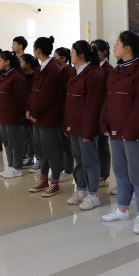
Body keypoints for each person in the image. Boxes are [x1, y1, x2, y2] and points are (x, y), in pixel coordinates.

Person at [99, 32, 139, 234]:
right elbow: (109, 99)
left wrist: (130, 131)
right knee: (120, 172)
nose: (114, 47)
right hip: (115, 131)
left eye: (117, 44)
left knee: (137, 174)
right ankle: (122, 208)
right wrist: (105, 122)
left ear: (128, 48)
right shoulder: (116, 71)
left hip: (134, 133)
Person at [64, 40, 105, 210]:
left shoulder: (94, 74)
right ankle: (81, 189)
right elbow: (70, 102)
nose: (70, 55)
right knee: (79, 159)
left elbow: (93, 106)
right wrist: (67, 125)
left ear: (81, 55)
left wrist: (89, 131)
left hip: (86, 126)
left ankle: (93, 194)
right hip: (74, 125)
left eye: (73, 52)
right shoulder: (75, 72)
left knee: (90, 161)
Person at [27, 36, 64, 197]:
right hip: (37, 117)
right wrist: (28, 109)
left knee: (51, 151)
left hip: (47, 117)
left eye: (34, 48)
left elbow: (47, 96)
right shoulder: (41, 68)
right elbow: (33, 91)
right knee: (41, 151)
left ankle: (54, 181)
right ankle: (43, 179)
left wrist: (34, 113)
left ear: (38, 50)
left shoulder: (53, 69)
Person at [0, 51, 28, 178]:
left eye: (0, 60)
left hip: (12, 115)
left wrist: (21, 115)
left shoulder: (16, 77)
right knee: (7, 142)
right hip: (2, 115)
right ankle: (10, 165)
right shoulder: (3, 76)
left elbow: (22, 98)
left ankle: (17, 167)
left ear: (7, 62)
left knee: (15, 142)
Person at [92, 39, 114, 192]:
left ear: (104, 52)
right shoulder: (92, 67)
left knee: (102, 144)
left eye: (95, 50)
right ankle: (96, 172)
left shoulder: (108, 69)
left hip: (102, 111)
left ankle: (103, 175)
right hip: (92, 111)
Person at [54, 47, 74, 182]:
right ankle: (61, 168)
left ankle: (68, 170)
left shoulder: (68, 72)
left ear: (63, 58)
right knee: (59, 143)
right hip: (59, 111)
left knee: (66, 144)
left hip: (65, 111)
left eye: (55, 57)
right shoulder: (59, 71)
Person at [20, 54, 39, 170]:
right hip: (24, 109)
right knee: (27, 136)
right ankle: (30, 157)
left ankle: (39, 159)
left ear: (28, 64)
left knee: (35, 137)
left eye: (22, 62)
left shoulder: (36, 76)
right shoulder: (23, 76)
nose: (20, 64)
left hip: (33, 110)